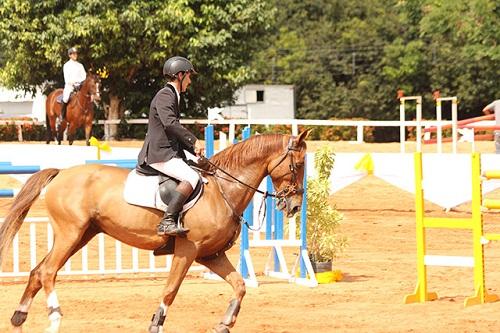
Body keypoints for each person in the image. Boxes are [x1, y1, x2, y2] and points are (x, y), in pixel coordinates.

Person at [136, 56, 205, 236]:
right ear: (180, 75)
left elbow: (172, 129)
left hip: (169, 151)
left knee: (196, 170)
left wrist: (194, 150)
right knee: (191, 177)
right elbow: (170, 124)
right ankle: (167, 221)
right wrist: (193, 141)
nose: (190, 81)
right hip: (160, 153)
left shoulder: (173, 95)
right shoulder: (166, 95)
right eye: (189, 76)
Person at [61, 47, 86, 120]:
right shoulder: (66, 65)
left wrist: (80, 83)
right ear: (70, 55)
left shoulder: (80, 65)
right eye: (73, 54)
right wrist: (74, 84)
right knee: (65, 98)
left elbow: (84, 76)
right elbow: (67, 79)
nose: (75, 55)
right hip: (70, 86)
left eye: (76, 54)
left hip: (80, 85)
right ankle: (62, 115)